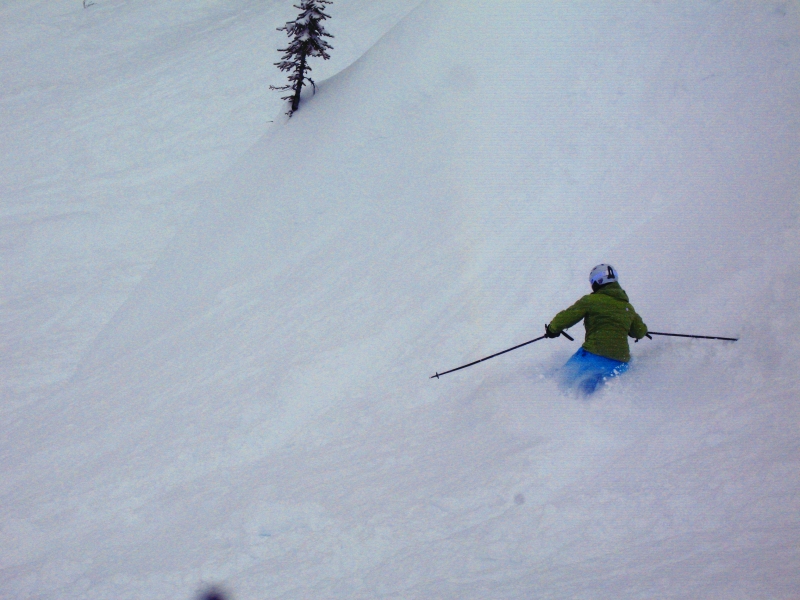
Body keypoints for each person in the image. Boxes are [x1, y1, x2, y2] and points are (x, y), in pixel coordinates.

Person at [545, 264, 649, 395]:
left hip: (594, 354)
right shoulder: (627, 307)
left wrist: (552, 329)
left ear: (596, 282)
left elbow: (566, 317)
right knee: (594, 391)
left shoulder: (591, 300)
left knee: (561, 382)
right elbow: (639, 332)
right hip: (620, 362)